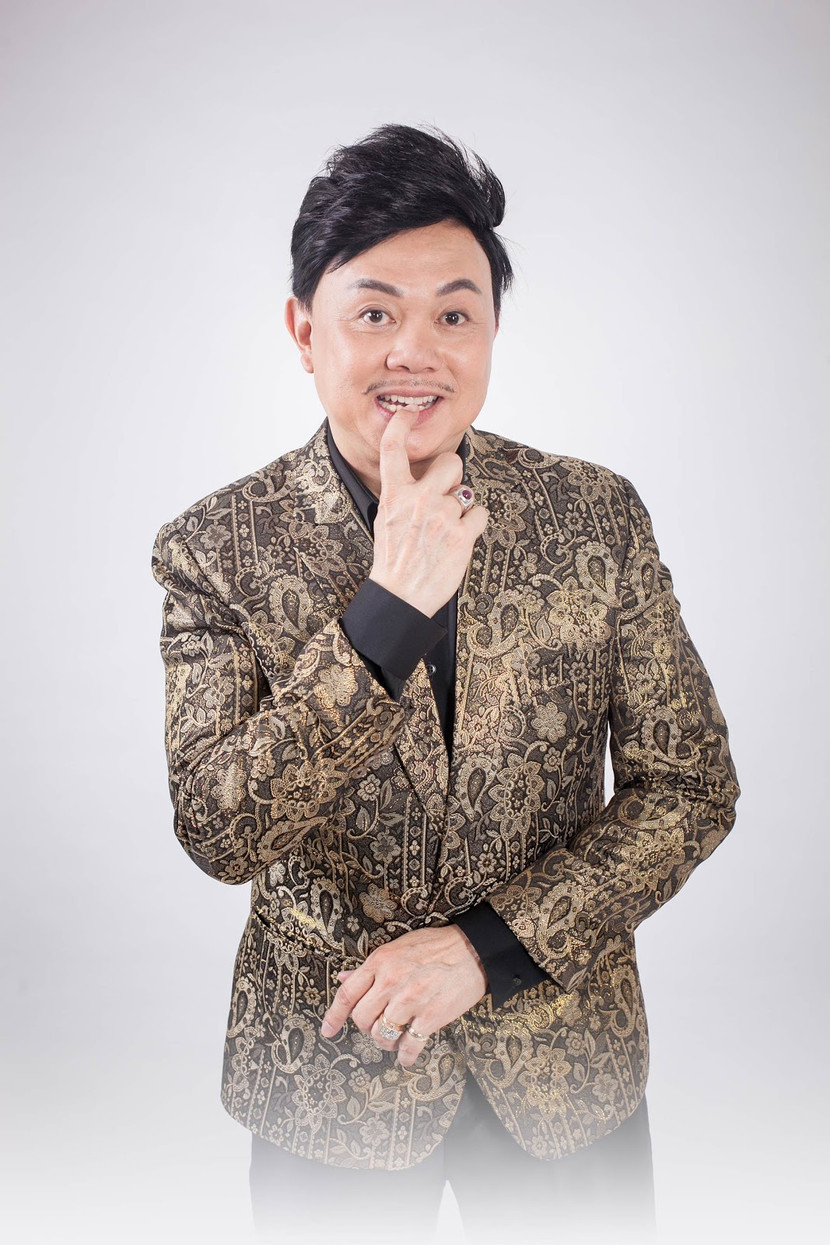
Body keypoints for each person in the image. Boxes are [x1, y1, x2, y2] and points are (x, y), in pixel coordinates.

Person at [152, 124, 739, 1243]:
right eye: (374, 313)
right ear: (304, 330)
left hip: (566, 1063)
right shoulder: (215, 548)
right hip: (330, 1073)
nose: (414, 352)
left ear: (491, 331)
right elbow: (219, 829)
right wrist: (383, 615)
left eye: (453, 315)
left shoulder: (594, 516)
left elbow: (689, 786)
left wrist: (485, 950)